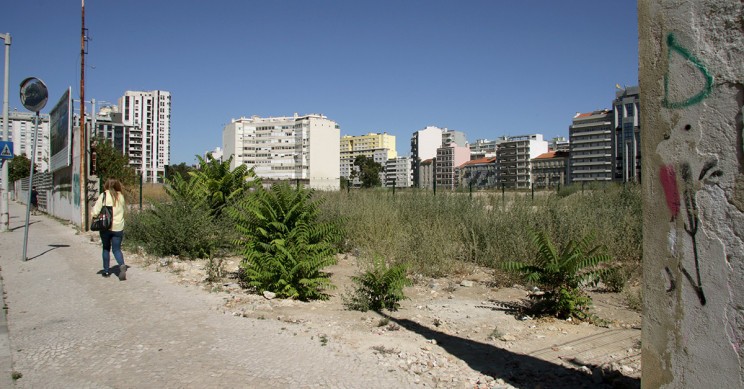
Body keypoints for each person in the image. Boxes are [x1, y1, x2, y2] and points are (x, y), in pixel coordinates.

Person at [92, 178, 128, 280]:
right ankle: (121, 265)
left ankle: (106, 271)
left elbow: (95, 211)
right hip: (118, 227)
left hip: (105, 227)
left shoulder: (104, 195)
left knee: (106, 248)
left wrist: (94, 216)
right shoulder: (121, 196)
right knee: (117, 249)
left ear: (106, 185)